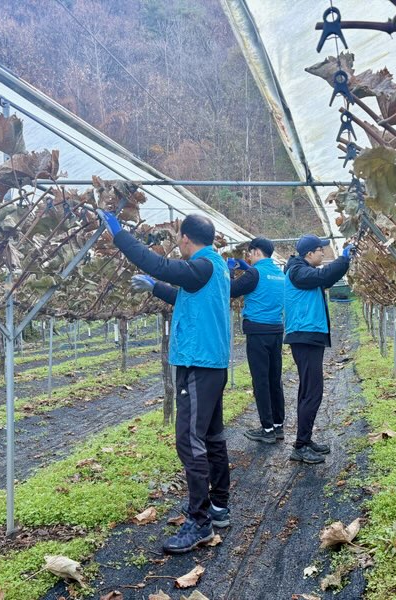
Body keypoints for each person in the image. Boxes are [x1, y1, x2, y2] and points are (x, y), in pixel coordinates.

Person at [97, 209, 231, 555]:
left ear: (186, 239)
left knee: (189, 441)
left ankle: (199, 521)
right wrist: (157, 289)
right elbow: (185, 297)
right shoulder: (212, 268)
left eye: (180, 242)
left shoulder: (201, 265)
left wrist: (121, 237)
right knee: (211, 436)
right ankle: (218, 507)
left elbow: (161, 265)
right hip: (209, 363)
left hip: (198, 362)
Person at [284, 235, 353, 465]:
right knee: (312, 392)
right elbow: (323, 275)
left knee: (309, 390)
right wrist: (343, 259)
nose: (323, 254)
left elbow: (326, 279)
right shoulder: (297, 271)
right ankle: (301, 446)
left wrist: (344, 263)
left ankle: (305, 440)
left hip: (308, 336)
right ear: (309, 253)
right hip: (305, 336)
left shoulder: (303, 272)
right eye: (320, 250)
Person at [228, 237, 285, 444]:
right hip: (276, 331)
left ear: (256, 252)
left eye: (249, 255)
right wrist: (246, 269)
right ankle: (278, 426)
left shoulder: (254, 273)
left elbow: (232, 290)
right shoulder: (280, 274)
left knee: (260, 380)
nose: (248, 258)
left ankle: (267, 429)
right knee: (274, 378)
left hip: (258, 333)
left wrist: (231, 271)